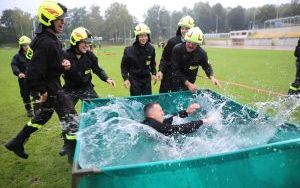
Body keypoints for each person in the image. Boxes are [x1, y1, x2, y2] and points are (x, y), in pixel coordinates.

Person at [5, 0, 77, 162]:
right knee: (72, 120)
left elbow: (46, 64)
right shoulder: (46, 42)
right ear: (48, 20)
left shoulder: (46, 38)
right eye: (59, 18)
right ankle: (74, 159)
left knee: (43, 116)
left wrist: (62, 64)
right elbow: (32, 72)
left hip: (52, 84)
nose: (63, 21)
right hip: (51, 88)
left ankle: (17, 141)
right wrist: (42, 91)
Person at [62, 27, 116, 106]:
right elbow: (53, 71)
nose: (87, 46)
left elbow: (98, 70)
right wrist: (61, 66)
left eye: (88, 42)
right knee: (67, 114)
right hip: (70, 89)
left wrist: (107, 78)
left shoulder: (90, 56)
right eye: (85, 42)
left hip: (86, 88)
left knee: (98, 110)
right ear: (75, 42)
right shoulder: (64, 55)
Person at [171, 27, 221, 92]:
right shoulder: (177, 49)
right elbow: (175, 70)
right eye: (189, 42)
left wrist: (211, 77)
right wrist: (188, 84)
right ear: (186, 40)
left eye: (194, 43)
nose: (190, 45)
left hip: (191, 83)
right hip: (176, 82)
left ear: (198, 44)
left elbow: (206, 66)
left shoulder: (201, 53)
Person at [157, 16, 195, 93]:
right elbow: (164, 58)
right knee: (164, 100)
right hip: (168, 77)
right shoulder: (172, 42)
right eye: (182, 28)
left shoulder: (194, 44)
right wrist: (160, 71)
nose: (184, 31)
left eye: (187, 28)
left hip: (183, 79)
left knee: (181, 102)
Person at [121, 23, 157, 96]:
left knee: (147, 100)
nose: (143, 38)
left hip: (146, 79)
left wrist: (153, 73)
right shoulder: (128, 50)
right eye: (141, 36)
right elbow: (124, 67)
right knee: (135, 101)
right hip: (134, 79)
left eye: (145, 36)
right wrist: (126, 79)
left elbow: (152, 63)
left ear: (148, 36)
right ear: (137, 37)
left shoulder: (151, 49)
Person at [142, 102, 213, 136]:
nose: (163, 113)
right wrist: (202, 121)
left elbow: (168, 120)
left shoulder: (149, 122)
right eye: (160, 111)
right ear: (152, 115)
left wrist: (186, 112)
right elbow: (179, 129)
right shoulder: (153, 125)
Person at [11, 36, 34, 117]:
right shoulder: (17, 57)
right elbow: (14, 65)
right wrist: (18, 73)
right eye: (24, 45)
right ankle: (29, 110)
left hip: (33, 78)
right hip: (23, 79)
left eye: (28, 45)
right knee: (25, 95)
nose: (26, 47)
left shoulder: (33, 55)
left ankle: (37, 109)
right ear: (21, 46)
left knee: (36, 93)